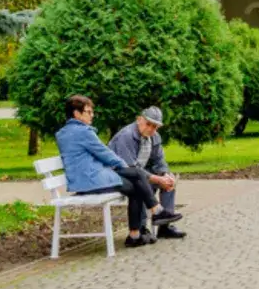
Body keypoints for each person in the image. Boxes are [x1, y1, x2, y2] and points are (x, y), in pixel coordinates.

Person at [55, 95, 181, 248]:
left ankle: (135, 235)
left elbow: (98, 155)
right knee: (137, 175)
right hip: (90, 181)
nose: (92, 115)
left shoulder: (67, 132)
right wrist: (127, 168)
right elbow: (105, 154)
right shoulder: (83, 132)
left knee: (137, 182)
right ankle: (156, 211)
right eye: (88, 112)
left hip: (86, 179)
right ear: (76, 114)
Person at [107, 106, 186, 239]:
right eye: (148, 124)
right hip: (119, 176)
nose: (151, 129)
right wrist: (156, 179)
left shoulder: (154, 137)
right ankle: (142, 228)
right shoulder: (126, 136)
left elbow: (159, 161)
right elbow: (130, 169)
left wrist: (165, 175)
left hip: (138, 174)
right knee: (143, 184)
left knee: (168, 181)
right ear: (139, 120)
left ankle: (164, 226)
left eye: (155, 127)